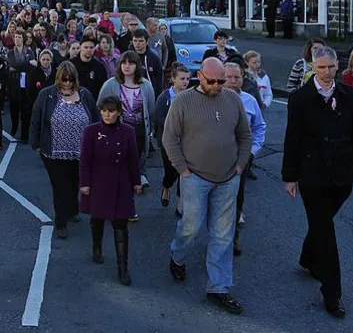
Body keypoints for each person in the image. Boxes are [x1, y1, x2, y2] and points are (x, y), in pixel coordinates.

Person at [283, 46, 353, 319]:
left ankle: (308, 257)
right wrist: (289, 176)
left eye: (331, 67)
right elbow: (292, 139)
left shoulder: (349, 96)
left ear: (337, 66)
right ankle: (332, 293)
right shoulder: (300, 99)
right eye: (321, 67)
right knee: (326, 231)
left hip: (342, 175)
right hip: (312, 174)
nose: (326, 72)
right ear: (312, 67)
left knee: (321, 226)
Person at [161, 57, 251, 315]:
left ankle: (219, 287)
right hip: (195, 177)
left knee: (223, 234)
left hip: (228, 177)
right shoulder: (182, 102)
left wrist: (240, 166)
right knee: (190, 226)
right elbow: (169, 138)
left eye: (221, 80)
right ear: (199, 76)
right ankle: (177, 256)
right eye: (212, 81)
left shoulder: (233, 100)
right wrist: (183, 171)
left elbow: (244, 135)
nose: (217, 85)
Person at [29, 62, 98, 238]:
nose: (67, 83)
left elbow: (95, 120)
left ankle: (73, 209)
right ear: (58, 78)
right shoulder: (47, 95)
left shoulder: (85, 95)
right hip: (53, 152)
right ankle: (61, 222)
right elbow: (36, 119)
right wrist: (34, 142)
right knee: (59, 186)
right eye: (64, 79)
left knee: (75, 181)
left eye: (70, 79)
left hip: (79, 151)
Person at [79, 96, 141, 285]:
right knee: (97, 218)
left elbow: (133, 158)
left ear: (119, 112)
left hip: (121, 180)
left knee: (121, 224)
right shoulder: (91, 131)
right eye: (104, 110)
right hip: (99, 180)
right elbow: (85, 159)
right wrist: (85, 183)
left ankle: (123, 267)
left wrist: (137, 182)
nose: (107, 114)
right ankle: (97, 246)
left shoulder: (128, 131)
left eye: (112, 110)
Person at [97, 50, 157, 197]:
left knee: (134, 167)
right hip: (117, 132)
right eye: (124, 63)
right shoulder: (111, 84)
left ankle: (131, 201)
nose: (127, 66)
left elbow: (150, 109)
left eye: (131, 63)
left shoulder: (146, 86)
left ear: (137, 66)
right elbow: (100, 105)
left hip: (139, 132)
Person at [223, 62, 266, 257]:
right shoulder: (212, 99)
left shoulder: (250, 101)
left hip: (240, 160)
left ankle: (233, 239)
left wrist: (252, 152)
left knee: (236, 200)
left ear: (242, 79)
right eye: (228, 77)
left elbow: (259, 127)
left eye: (237, 77)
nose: (232, 81)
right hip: (214, 160)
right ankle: (217, 236)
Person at [153, 63, 189, 217]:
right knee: (171, 170)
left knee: (184, 171)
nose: (186, 82)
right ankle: (166, 186)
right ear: (173, 79)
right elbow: (158, 117)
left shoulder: (190, 96)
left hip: (187, 142)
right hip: (168, 141)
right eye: (182, 79)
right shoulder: (165, 97)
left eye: (187, 79)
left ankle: (180, 204)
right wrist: (175, 125)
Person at [5, 31, 36, 138]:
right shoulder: (10, 53)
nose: (17, 39)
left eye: (19, 37)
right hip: (13, 84)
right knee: (14, 109)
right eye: (15, 37)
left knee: (25, 111)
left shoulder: (29, 51)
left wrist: (17, 67)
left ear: (23, 39)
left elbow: (33, 66)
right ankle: (14, 127)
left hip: (26, 84)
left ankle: (24, 134)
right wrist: (27, 64)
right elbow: (12, 64)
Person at [129, 29, 164, 96]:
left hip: (149, 94)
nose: (137, 44)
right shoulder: (127, 58)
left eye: (141, 41)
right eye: (135, 41)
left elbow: (159, 81)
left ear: (147, 41)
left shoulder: (154, 59)